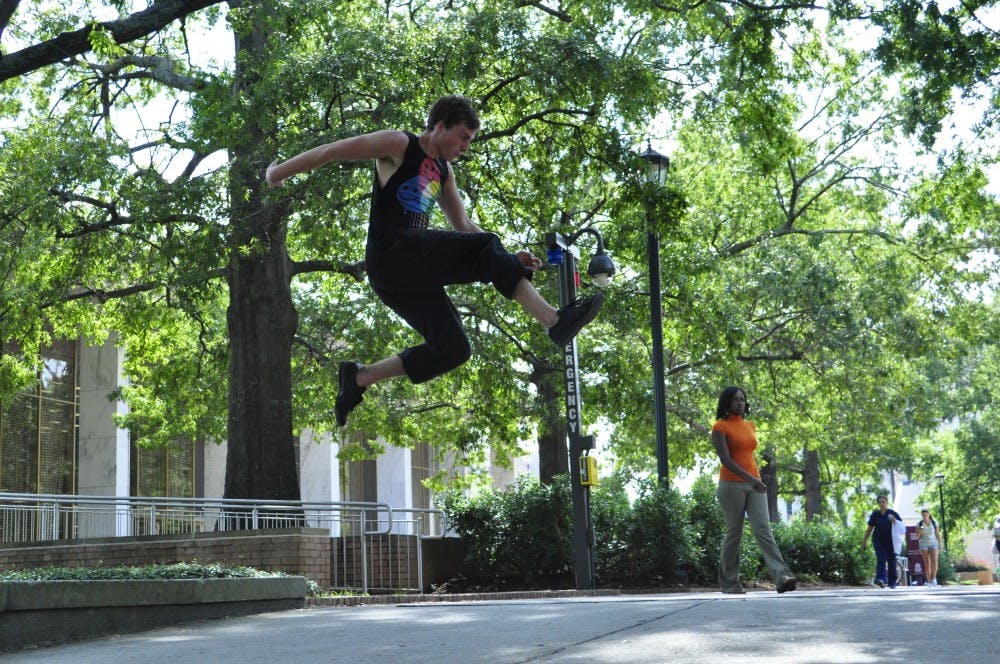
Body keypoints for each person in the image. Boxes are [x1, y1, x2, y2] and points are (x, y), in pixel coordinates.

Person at [265, 95, 604, 426]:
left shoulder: (444, 172)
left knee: (454, 348)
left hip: (406, 277)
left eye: (470, 140)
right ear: (440, 127)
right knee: (486, 246)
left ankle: (359, 377)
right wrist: (277, 173)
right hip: (391, 254)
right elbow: (332, 150)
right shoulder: (399, 144)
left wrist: (506, 257)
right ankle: (552, 320)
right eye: (463, 137)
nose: (466, 147)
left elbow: (464, 226)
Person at [710, 386, 797, 595]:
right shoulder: (720, 427)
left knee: (763, 529)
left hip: (754, 484)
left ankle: (782, 577)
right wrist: (751, 479)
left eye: (742, 399)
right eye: (735, 399)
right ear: (727, 402)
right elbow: (726, 460)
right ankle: (730, 583)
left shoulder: (750, 425)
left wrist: (755, 478)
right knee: (734, 533)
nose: (740, 403)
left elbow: (747, 455)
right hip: (731, 486)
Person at [861, 495, 903, 588]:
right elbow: (869, 528)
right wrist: (864, 540)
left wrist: (895, 521)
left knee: (891, 560)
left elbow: (901, 527)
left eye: (883, 502)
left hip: (891, 541)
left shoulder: (892, 513)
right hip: (878, 540)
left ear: (887, 502)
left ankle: (892, 582)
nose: (881, 504)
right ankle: (880, 579)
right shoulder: (875, 514)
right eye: (879, 502)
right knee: (881, 559)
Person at [915, 508, 941, 586]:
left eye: (926, 515)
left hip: (934, 543)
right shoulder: (919, 524)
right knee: (927, 563)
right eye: (923, 515)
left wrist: (940, 544)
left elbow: (937, 534)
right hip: (924, 544)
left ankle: (933, 578)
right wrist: (920, 532)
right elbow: (917, 537)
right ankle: (929, 581)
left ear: (929, 515)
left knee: (935, 562)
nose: (924, 517)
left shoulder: (934, 522)